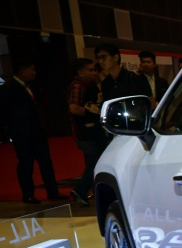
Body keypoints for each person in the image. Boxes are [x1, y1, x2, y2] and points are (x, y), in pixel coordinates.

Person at [0, 58, 64, 203]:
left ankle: (52, 191)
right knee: (26, 164)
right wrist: (10, 130)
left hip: (37, 131)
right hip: (22, 134)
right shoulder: (9, 88)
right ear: (23, 71)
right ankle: (28, 194)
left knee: (46, 162)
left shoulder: (31, 86)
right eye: (32, 69)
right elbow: (4, 111)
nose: (34, 72)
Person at [67, 57, 108, 207]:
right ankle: (80, 190)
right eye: (90, 70)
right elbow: (74, 108)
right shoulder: (78, 86)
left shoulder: (87, 85)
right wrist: (92, 112)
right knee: (95, 162)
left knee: (94, 161)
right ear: (80, 72)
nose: (94, 73)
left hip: (89, 133)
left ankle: (84, 191)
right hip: (85, 134)